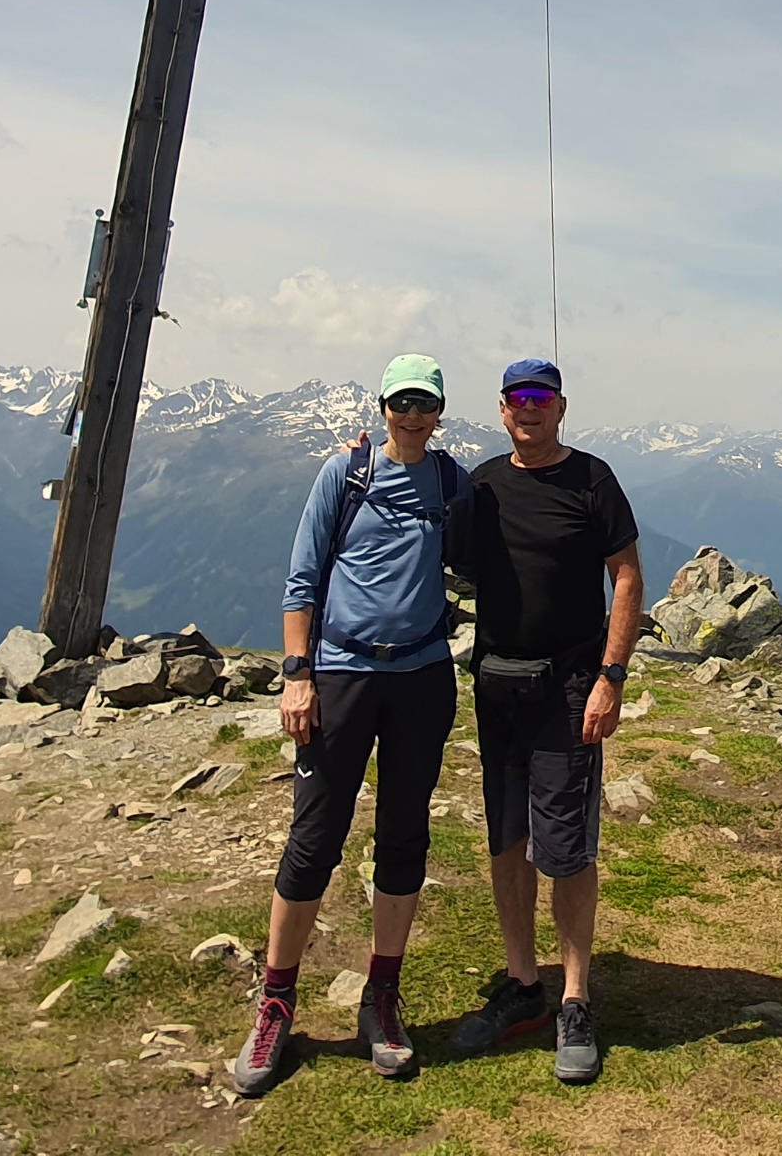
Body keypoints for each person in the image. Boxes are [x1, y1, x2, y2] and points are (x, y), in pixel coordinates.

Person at [232, 354, 470, 1098]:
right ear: (383, 405)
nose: (412, 415)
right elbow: (302, 579)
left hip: (423, 678)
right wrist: (296, 676)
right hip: (340, 676)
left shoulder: (453, 483)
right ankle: (275, 1002)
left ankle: (383, 998)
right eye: (402, 402)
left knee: (404, 835)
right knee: (314, 838)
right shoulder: (346, 475)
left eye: (424, 404)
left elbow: (498, 544)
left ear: (439, 412)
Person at [448, 358, 643, 1084]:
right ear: (502, 410)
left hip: (568, 688)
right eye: (517, 398)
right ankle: (524, 984)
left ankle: (574, 1000)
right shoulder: (483, 486)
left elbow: (626, 574)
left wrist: (610, 678)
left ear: (561, 407)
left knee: (565, 849)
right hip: (498, 686)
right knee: (507, 840)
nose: (529, 409)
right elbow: (437, 548)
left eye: (542, 397)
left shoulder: (592, 480)